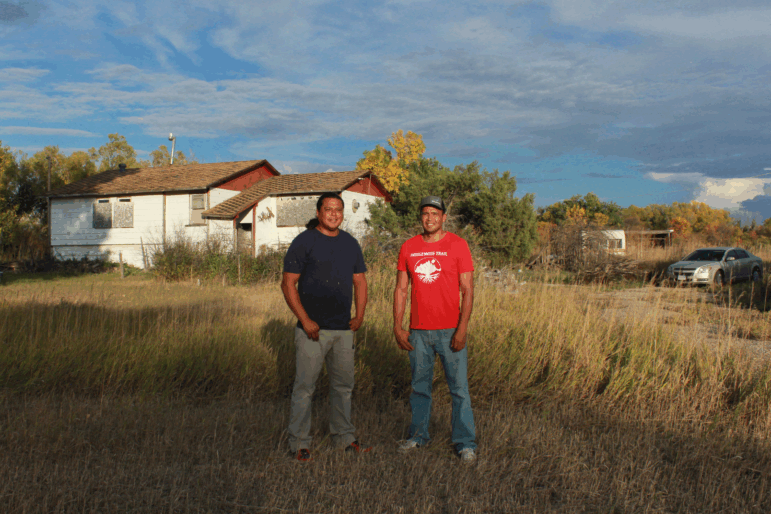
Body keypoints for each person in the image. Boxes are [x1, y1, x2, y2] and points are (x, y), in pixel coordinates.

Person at [281, 192, 371, 461]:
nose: (334, 214)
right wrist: (306, 320)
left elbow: (360, 281)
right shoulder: (304, 241)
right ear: (319, 212)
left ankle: (344, 438)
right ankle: (299, 443)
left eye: (338, 210)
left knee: (343, 387)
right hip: (312, 331)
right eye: (328, 209)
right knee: (304, 389)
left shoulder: (350, 243)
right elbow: (288, 284)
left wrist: (360, 315)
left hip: (344, 330)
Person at [393, 195, 477, 463]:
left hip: (450, 330)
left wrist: (462, 327)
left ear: (443, 217)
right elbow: (401, 289)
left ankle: (465, 443)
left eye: (435, 213)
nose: (429, 218)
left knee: (459, 390)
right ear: (421, 217)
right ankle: (418, 436)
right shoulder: (409, 247)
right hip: (418, 332)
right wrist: (398, 326)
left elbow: (468, 289)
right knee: (419, 388)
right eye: (425, 213)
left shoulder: (458, 245)